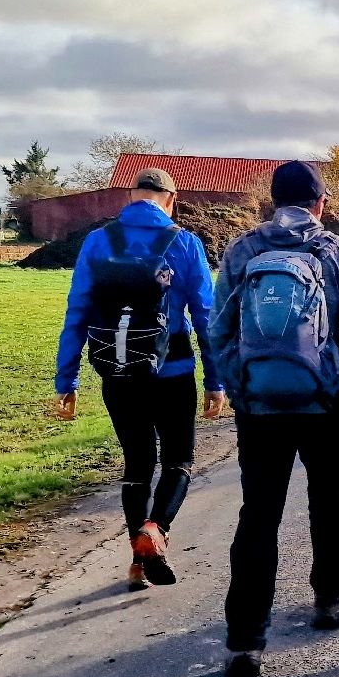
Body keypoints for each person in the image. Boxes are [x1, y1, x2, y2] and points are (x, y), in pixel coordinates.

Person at [208, 161, 339, 677]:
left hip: (258, 406)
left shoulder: (242, 249)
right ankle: (329, 598)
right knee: (327, 498)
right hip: (323, 403)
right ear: (320, 203)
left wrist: (241, 387)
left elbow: (217, 329)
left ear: (272, 202)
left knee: (258, 513)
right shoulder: (336, 250)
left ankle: (245, 640)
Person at [53, 167, 225, 591]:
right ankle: (156, 527)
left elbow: (77, 311)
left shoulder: (98, 240)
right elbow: (206, 317)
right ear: (171, 199)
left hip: (117, 370)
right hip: (173, 370)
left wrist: (67, 380)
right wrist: (215, 380)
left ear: (131, 196)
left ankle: (136, 563)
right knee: (178, 460)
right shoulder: (185, 242)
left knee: (137, 463)